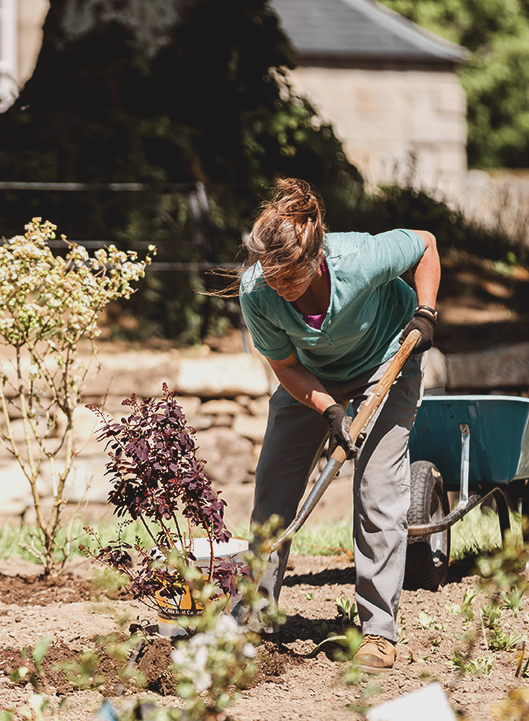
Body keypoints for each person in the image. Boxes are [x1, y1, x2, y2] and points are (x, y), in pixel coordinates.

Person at [235, 178, 441, 670]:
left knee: (377, 492)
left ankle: (378, 632)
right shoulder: (257, 292)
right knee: (274, 491)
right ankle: (252, 618)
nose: (278, 285)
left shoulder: (359, 258)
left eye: (289, 277)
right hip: (310, 377)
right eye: (270, 273)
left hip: (387, 362)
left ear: (317, 259)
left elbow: (426, 245)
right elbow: (285, 368)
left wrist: (426, 312)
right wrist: (330, 409)